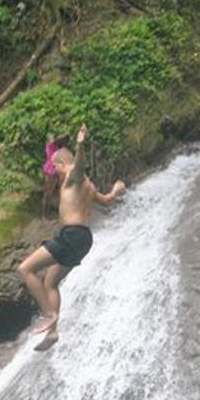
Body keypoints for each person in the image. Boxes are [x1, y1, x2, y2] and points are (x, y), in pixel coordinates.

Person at [17, 124, 126, 351]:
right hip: (84, 239)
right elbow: (106, 200)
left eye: (54, 167)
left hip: (71, 235)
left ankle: (48, 315)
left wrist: (80, 144)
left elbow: (77, 166)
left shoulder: (71, 178)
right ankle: (53, 332)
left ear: (61, 164)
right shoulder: (88, 185)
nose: (53, 171)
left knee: (25, 269)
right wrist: (116, 191)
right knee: (51, 282)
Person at [41, 133, 64, 217]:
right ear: (48, 140)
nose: (53, 139)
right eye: (52, 138)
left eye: (54, 138)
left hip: (55, 169)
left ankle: (52, 210)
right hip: (49, 170)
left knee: (56, 190)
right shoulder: (49, 146)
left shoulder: (55, 146)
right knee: (47, 193)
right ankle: (44, 214)